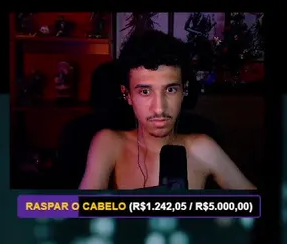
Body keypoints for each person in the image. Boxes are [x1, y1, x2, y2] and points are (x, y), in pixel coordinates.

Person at [78, 30, 253, 191]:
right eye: (145, 92)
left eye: (170, 90)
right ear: (127, 95)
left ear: (184, 90)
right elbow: (77, 210)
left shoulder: (202, 148)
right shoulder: (110, 143)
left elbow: (257, 205)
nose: (159, 108)